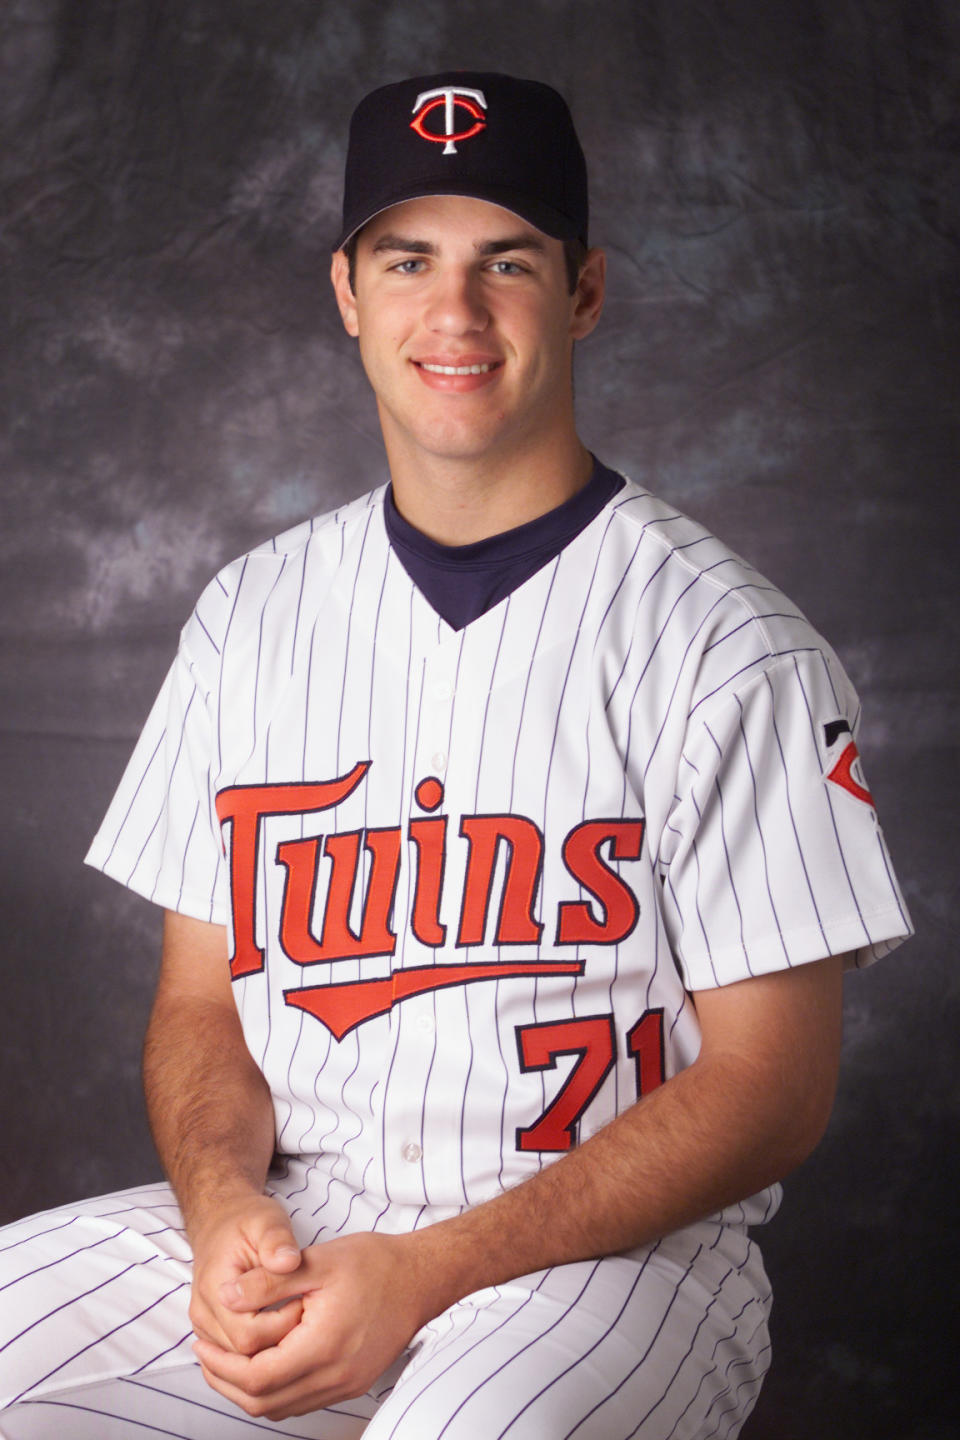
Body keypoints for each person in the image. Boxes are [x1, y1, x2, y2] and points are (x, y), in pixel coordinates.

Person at [0, 72, 911, 1439]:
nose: (456, 314)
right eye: (409, 260)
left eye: (509, 264)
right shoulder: (251, 617)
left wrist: (426, 1274)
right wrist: (226, 1204)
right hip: (311, 1222)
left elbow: (772, 1089)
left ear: (586, 291)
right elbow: (203, 1005)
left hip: (614, 1266)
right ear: (349, 292)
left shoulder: (727, 644)